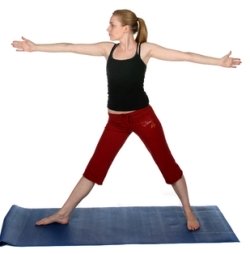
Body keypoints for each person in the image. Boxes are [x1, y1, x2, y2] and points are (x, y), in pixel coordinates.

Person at [11, 9, 241, 231]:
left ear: (127, 28)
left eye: (112, 24)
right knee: (94, 168)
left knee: (167, 164)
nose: (108, 28)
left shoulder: (145, 50)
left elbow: (186, 56)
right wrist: (35, 47)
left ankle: (188, 211)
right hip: (116, 123)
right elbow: (69, 47)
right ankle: (63, 214)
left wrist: (219, 62)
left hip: (143, 118)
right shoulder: (106, 49)